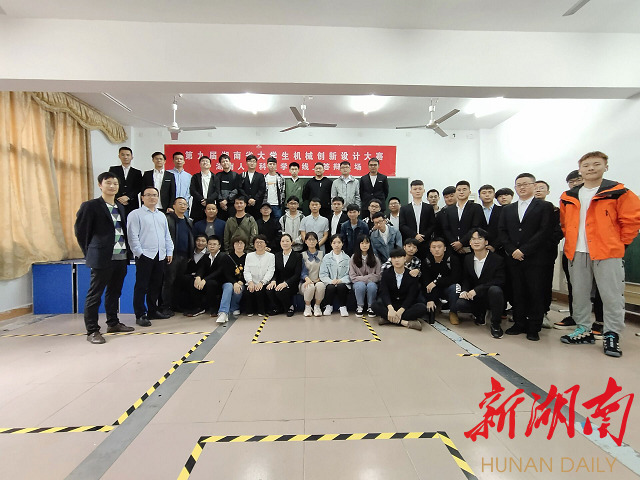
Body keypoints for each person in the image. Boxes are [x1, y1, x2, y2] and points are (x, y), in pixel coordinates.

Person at [559, 151, 640, 357]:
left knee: (611, 295)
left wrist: (620, 244)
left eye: (596, 164)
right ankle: (583, 329)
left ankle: (612, 333)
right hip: (577, 252)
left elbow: (631, 221)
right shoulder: (569, 196)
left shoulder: (619, 192)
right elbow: (564, 223)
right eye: (586, 165)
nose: (591, 168)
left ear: (606, 167)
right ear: (580, 170)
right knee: (579, 294)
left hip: (607, 252)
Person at [75, 172, 134, 344]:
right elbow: (81, 232)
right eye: (108, 183)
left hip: (121, 256)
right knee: (95, 294)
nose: (112, 186)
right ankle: (92, 330)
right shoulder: (90, 206)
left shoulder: (120, 206)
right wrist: (91, 253)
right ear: (100, 185)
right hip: (102, 257)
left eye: (115, 183)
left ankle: (113, 323)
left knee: (114, 292)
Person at [499, 173, 554, 341]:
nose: (522, 187)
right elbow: (502, 231)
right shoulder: (508, 209)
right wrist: (512, 250)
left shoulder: (544, 206)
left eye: (525, 184)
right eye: (519, 185)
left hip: (535, 258)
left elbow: (544, 231)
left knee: (535, 292)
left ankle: (534, 327)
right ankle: (519, 323)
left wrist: (524, 250)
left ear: (534, 185)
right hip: (513, 258)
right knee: (517, 292)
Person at [553, 170, 604, 332]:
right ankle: (576, 318)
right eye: (571, 181)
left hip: (600, 251)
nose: (575, 183)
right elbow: (563, 225)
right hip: (573, 250)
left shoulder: (603, 196)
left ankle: (601, 322)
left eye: (578, 179)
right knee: (575, 287)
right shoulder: (567, 200)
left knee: (601, 288)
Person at [127, 186, 174, 326]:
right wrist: (139, 253)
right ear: (142, 198)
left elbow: (166, 235)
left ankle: (153, 311)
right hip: (145, 255)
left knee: (156, 285)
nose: (152, 197)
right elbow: (132, 236)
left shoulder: (161, 215)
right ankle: (140, 314)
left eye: (154, 195)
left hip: (160, 255)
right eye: (148, 195)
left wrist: (169, 251)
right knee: (141, 286)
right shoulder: (135, 214)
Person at [456, 228, 506, 338]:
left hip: (489, 295)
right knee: (460, 304)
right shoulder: (468, 259)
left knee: (496, 290)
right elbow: (466, 279)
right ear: (470, 243)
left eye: (480, 239)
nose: (476, 241)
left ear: (486, 242)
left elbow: (500, 280)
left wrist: (477, 290)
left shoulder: (497, 259)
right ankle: (479, 313)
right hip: (475, 297)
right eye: (473, 239)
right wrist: (464, 291)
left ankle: (495, 324)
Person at [372, 247, 427, 330]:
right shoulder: (386, 273)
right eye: (394, 258)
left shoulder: (411, 274)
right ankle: (404, 322)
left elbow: (411, 295)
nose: (396, 260)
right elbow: (384, 292)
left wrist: (401, 310)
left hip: (405, 305)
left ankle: (388, 319)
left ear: (404, 259)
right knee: (375, 305)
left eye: (399, 257)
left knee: (422, 308)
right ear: (391, 260)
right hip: (391, 303)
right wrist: (390, 308)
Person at [534, 180, 564, 328]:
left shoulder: (555, 211)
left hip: (546, 253)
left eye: (542, 188)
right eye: (535, 188)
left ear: (548, 191)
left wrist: (543, 244)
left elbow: (559, 231)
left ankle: (543, 312)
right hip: (525, 253)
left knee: (544, 283)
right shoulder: (523, 209)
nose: (538, 190)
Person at [184, 235, 232, 318]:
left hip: (220, 281)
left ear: (219, 246)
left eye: (214, 244)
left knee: (211, 283)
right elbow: (201, 268)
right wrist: (198, 277)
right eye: (210, 244)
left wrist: (204, 280)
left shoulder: (224, 256)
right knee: (193, 282)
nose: (212, 246)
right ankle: (199, 307)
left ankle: (213, 308)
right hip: (208, 280)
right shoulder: (206, 256)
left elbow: (219, 272)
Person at [161, 197, 193, 316]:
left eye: (185, 204)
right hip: (172, 255)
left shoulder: (188, 221)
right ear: (173, 206)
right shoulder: (168, 219)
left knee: (179, 281)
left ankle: (175, 305)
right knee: (169, 281)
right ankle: (165, 306)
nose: (183, 206)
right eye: (180, 203)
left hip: (185, 256)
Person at [422, 237, 462, 325]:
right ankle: (436, 304)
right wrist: (430, 299)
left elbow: (454, 278)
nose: (437, 249)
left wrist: (436, 282)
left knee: (455, 287)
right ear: (430, 249)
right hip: (434, 289)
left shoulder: (452, 259)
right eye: (434, 247)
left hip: (447, 288)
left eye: (439, 247)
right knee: (422, 294)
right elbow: (425, 282)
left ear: (445, 248)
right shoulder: (427, 261)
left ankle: (453, 312)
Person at [442, 180, 486, 256]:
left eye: (464, 189)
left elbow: (476, 227)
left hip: (470, 247)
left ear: (469, 192)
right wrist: (455, 244)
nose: (461, 192)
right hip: (453, 248)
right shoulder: (449, 209)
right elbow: (446, 228)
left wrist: (461, 242)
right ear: (456, 192)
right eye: (459, 190)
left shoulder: (476, 207)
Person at [267, 234, 303, 317]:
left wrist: (286, 283)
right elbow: (274, 271)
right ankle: (278, 307)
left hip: (292, 283)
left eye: (287, 241)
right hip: (279, 281)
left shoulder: (297, 256)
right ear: (280, 243)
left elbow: (297, 274)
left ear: (291, 242)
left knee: (280, 291)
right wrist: (273, 280)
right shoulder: (277, 255)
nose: (285, 243)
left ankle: (289, 307)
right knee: (269, 290)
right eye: (283, 241)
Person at [399, 179, 436, 259]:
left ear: (424, 190)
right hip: (410, 243)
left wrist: (423, 236)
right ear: (411, 191)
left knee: (425, 263)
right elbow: (402, 225)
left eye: (420, 189)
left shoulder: (429, 208)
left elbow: (432, 225)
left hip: (425, 242)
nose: (417, 191)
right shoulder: (404, 208)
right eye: (415, 189)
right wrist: (415, 235)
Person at [349, 234, 381, 317]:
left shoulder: (375, 258)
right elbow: (352, 277)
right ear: (358, 244)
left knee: (371, 286)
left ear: (370, 244)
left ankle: (371, 307)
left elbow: (378, 276)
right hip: (358, 283)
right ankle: (360, 307)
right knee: (360, 285)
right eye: (362, 243)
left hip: (371, 282)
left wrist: (363, 278)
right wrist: (368, 277)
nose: (364, 245)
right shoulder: (353, 258)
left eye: (367, 243)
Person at [319, 234, 352, 316]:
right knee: (330, 287)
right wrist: (330, 281)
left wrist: (341, 280)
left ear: (342, 244)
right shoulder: (326, 257)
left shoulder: (347, 258)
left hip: (343, 283)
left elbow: (350, 274)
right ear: (331, 244)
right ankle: (328, 306)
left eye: (339, 242)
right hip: (330, 282)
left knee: (341, 286)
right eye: (334, 243)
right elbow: (323, 274)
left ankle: (343, 307)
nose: (336, 245)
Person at [243, 234, 276, 316]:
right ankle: (250, 310)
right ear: (254, 245)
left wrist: (262, 282)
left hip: (264, 283)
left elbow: (270, 271)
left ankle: (261, 310)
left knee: (260, 291)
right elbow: (246, 271)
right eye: (257, 242)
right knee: (248, 292)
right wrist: (250, 282)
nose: (259, 244)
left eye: (261, 242)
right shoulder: (249, 256)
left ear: (265, 244)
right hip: (251, 282)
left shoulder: (271, 256)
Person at [109, 146, 143, 216]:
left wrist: (127, 197)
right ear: (119, 156)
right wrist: (120, 198)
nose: (125, 157)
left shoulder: (137, 172)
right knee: (116, 220)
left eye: (128, 155)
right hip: (116, 201)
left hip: (132, 202)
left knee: (132, 220)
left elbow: (139, 187)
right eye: (123, 155)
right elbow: (111, 184)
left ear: (132, 157)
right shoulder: (113, 170)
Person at [300, 232, 326, 317]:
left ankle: (317, 306)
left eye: (314, 239)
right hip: (305, 282)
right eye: (309, 240)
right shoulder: (302, 255)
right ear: (305, 242)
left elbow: (325, 269)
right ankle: (307, 307)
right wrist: (307, 279)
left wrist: (319, 279)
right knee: (310, 286)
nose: (311, 242)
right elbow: (302, 271)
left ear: (317, 241)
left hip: (319, 280)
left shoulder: (322, 254)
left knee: (320, 286)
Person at [214, 153, 244, 221]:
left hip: (232, 204)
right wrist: (221, 201)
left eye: (226, 161)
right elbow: (217, 189)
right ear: (220, 164)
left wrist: (226, 200)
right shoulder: (218, 175)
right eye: (223, 162)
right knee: (220, 223)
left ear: (230, 163)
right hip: (220, 205)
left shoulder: (235, 175)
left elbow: (236, 189)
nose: (225, 163)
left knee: (232, 223)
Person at [190, 156, 218, 222]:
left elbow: (217, 192)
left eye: (207, 161)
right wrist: (201, 199)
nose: (205, 162)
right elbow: (192, 190)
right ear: (200, 164)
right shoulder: (195, 177)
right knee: (197, 225)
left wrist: (207, 201)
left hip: (211, 206)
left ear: (210, 165)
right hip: (198, 205)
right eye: (203, 161)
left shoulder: (215, 177)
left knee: (211, 224)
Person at [225, 236, 247, 317]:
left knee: (239, 290)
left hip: (243, 281)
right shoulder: (228, 257)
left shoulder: (248, 257)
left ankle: (234, 307)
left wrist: (242, 281)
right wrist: (234, 282)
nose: (239, 245)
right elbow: (226, 273)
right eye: (237, 243)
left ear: (245, 245)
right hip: (230, 281)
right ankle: (224, 310)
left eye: (241, 243)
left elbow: (250, 272)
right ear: (233, 245)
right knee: (229, 287)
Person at [478, 184, 502, 252]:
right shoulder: (476, 210)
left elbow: (504, 230)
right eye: (484, 193)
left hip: (499, 248)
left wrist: (494, 246)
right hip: (479, 247)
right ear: (479, 196)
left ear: (494, 195)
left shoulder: (502, 210)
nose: (487, 195)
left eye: (490, 192)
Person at [241, 154, 267, 219]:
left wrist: (254, 199)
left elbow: (262, 189)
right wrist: (248, 199)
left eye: (254, 161)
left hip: (257, 204)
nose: (252, 163)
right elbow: (240, 189)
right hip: (245, 204)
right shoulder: (242, 175)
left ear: (256, 163)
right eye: (250, 161)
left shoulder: (260, 176)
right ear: (246, 163)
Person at [169, 151, 192, 216]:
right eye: (176, 159)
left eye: (181, 159)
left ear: (184, 161)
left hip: (184, 207)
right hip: (171, 206)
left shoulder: (189, 176)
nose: (179, 160)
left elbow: (189, 192)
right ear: (173, 161)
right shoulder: (168, 174)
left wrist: (183, 202)